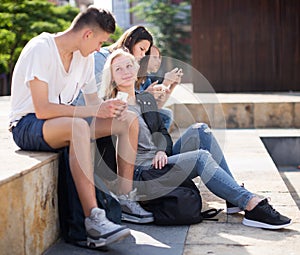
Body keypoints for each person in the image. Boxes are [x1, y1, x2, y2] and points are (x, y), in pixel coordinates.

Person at [8, 7, 152, 248]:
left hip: (62, 123)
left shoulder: (83, 60)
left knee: (128, 120)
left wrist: (110, 107)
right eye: (99, 42)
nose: (99, 49)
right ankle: (94, 219)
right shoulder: (41, 48)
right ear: (87, 34)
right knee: (78, 127)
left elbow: (94, 103)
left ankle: (125, 198)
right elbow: (42, 109)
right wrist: (94, 111)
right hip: (28, 125)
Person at [102, 49, 292, 230]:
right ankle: (250, 203)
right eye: (118, 69)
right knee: (201, 157)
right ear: (112, 78)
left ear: (136, 69)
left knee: (200, 130)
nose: (125, 72)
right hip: (143, 173)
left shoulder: (145, 100)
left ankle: (233, 197)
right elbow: (116, 154)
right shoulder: (115, 107)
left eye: (129, 66)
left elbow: (162, 132)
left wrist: (161, 150)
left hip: (162, 162)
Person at [136, 45, 183, 130]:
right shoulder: (133, 77)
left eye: (159, 58)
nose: (158, 61)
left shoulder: (147, 80)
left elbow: (157, 107)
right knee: (166, 115)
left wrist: (172, 86)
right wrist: (165, 83)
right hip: (135, 119)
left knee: (167, 113)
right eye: (154, 57)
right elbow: (141, 109)